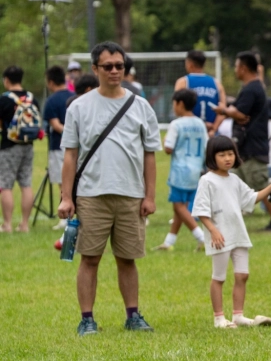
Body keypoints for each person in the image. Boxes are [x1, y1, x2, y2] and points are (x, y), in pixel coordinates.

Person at [58, 41, 161, 336]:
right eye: (108, 66)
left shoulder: (140, 106)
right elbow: (70, 156)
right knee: (89, 258)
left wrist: (150, 196)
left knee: (127, 258)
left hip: (131, 194)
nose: (115, 71)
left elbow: (150, 154)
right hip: (91, 195)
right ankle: (87, 319)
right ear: (95, 69)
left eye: (119, 66)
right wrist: (67, 197)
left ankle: (133, 315)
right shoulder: (79, 107)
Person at [193, 136, 271, 329]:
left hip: (238, 235)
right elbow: (200, 210)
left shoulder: (234, 180)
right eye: (222, 154)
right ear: (212, 157)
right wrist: (213, 231)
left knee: (242, 275)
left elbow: (251, 198)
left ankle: (238, 316)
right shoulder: (206, 181)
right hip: (220, 238)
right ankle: (219, 318)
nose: (227, 158)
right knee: (219, 277)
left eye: (231, 154)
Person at [213, 51, 271, 230]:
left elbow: (241, 113)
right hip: (247, 147)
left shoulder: (252, 88)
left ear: (243, 68)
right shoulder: (254, 87)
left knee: (259, 186)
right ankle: (231, 221)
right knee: (234, 184)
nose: (235, 70)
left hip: (252, 147)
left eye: (236, 66)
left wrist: (224, 110)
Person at [153, 89, 209, 251]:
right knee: (181, 207)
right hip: (196, 170)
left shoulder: (176, 124)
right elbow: (206, 146)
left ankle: (202, 237)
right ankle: (169, 242)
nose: (173, 108)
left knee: (179, 207)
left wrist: (165, 141)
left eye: (174, 104)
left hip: (180, 172)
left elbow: (168, 148)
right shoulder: (200, 123)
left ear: (180, 104)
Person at [0, 66, 37, 233]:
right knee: (26, 184)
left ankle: (7, 224)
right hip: (28, 146)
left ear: (6, 80)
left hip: (9, 146)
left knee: (5, 185)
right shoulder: (31, 98)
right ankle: (24, 224)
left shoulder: (5, 99)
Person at [43, 66, 74, 231]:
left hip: (59, 146)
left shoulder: (51, 101)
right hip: (77, 147)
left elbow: (55, 125)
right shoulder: (75, 96)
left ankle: (66, 216)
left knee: (63, 182)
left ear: (51, 82)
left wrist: (70, 133)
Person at [174, 50, 226, 135]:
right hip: (211, 135)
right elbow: (223, 111)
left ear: (189, 64)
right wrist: (213, 130)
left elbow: (178, 108)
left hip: (189, 133)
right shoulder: (217, 83)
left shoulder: (183, 82)